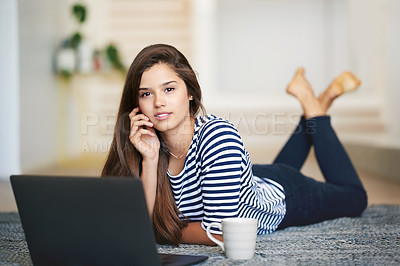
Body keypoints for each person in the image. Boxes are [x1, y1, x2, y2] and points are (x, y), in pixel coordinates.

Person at [102, 44, 367, 246]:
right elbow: (141, 225)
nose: (158, 102)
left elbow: (221, 233)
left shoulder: (218, 137)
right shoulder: (145, 144)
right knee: (275, 170)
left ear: (190, 91)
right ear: (137, 105)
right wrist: (149, 159)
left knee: (355, 198)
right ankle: (314, 104)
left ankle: (314, 108)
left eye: (169, 89)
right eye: (147, 94)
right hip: (247, 179)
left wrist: (164, 230)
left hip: (287, 196)